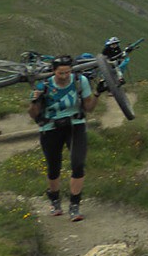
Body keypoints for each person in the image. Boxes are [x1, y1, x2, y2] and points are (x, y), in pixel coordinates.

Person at [30, 55, 98, 221]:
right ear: (54, 71)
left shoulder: (79, 81)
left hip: (75, 124)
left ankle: (75, 205)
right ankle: (54, 199)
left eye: (67, 72)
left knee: (78, 163)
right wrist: (35, 101)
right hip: (50, 127)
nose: (64, 76)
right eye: (61, 73)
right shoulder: (43, 85)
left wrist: (97, 93)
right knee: (54, 167)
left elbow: (88, 108)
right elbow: (33, 114)